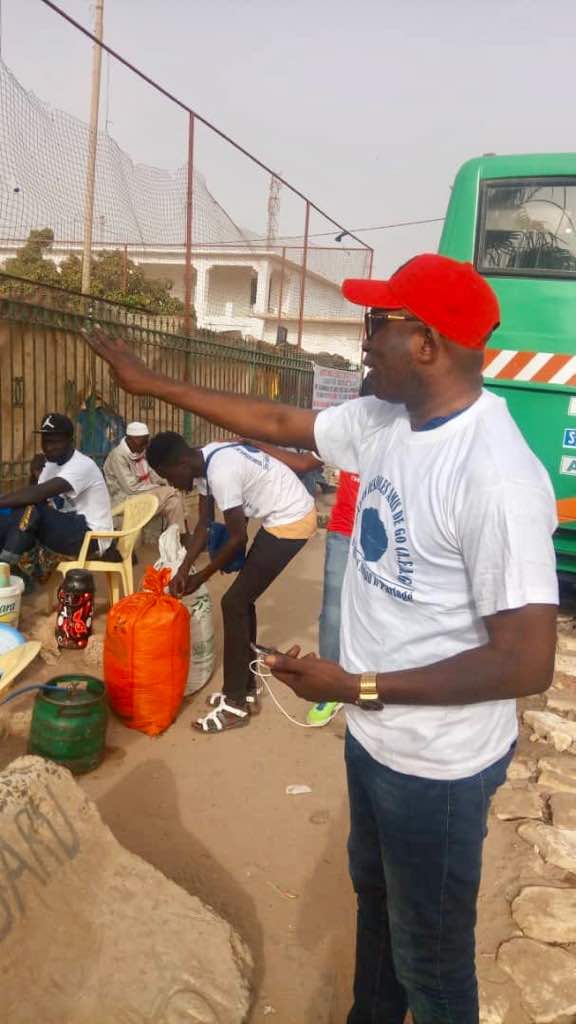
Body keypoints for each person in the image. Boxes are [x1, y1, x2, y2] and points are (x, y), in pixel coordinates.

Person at [82, 253, 558, 1023]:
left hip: (436, 768)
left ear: (428, 344)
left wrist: (358, 688)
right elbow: (276, 422)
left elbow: (527, 659)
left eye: (378, 325)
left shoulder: (494, 476)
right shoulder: (386, 421)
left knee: (431, 966)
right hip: (375, 741)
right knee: (375, 907)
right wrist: (156, 384)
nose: (364, 342)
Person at [145, 432, 317, 734]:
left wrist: (201, 577)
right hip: (278, 517)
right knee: (241, 601)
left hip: (291, 520)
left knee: (234, 602)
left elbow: (238, 538)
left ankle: (235, 704)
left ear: (181, 462)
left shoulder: (220, 471)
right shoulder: (204, 461)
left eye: (169, 476)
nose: (171, 484)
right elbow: (204, 525)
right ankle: (245, 689)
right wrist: (184, 568)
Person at [308, 370, 376, 727]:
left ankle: (369, 686)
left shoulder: (406, 438)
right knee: (333, 613)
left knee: (378, 612)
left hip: (380, 542)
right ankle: (330, 691)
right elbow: (306, 452)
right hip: (342, 534)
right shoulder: (350, 431)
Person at [0, 412, 113, 567]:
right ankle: (7, 566)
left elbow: (36, 495)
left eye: (55, 442)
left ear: (70, 441)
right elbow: (34, 497)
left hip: (90, 537)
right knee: (13, 515)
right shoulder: (50, 466)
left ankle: (6, 567)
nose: (48, 447)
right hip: (65, 527)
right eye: (45, 441)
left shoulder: (82, 465)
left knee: (30, 507)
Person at [103, 421, 186, 533]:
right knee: (172, 493)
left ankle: (177, 537)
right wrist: (161, 489)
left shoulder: (141, 452)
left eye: (146, 442)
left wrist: (164, 483)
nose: (145, 445)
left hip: (144, 495)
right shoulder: (118, 456)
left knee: (174, 502)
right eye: (142, 442)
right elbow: (131, 488)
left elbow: (152, 474)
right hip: (125, 499)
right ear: (130, 439)